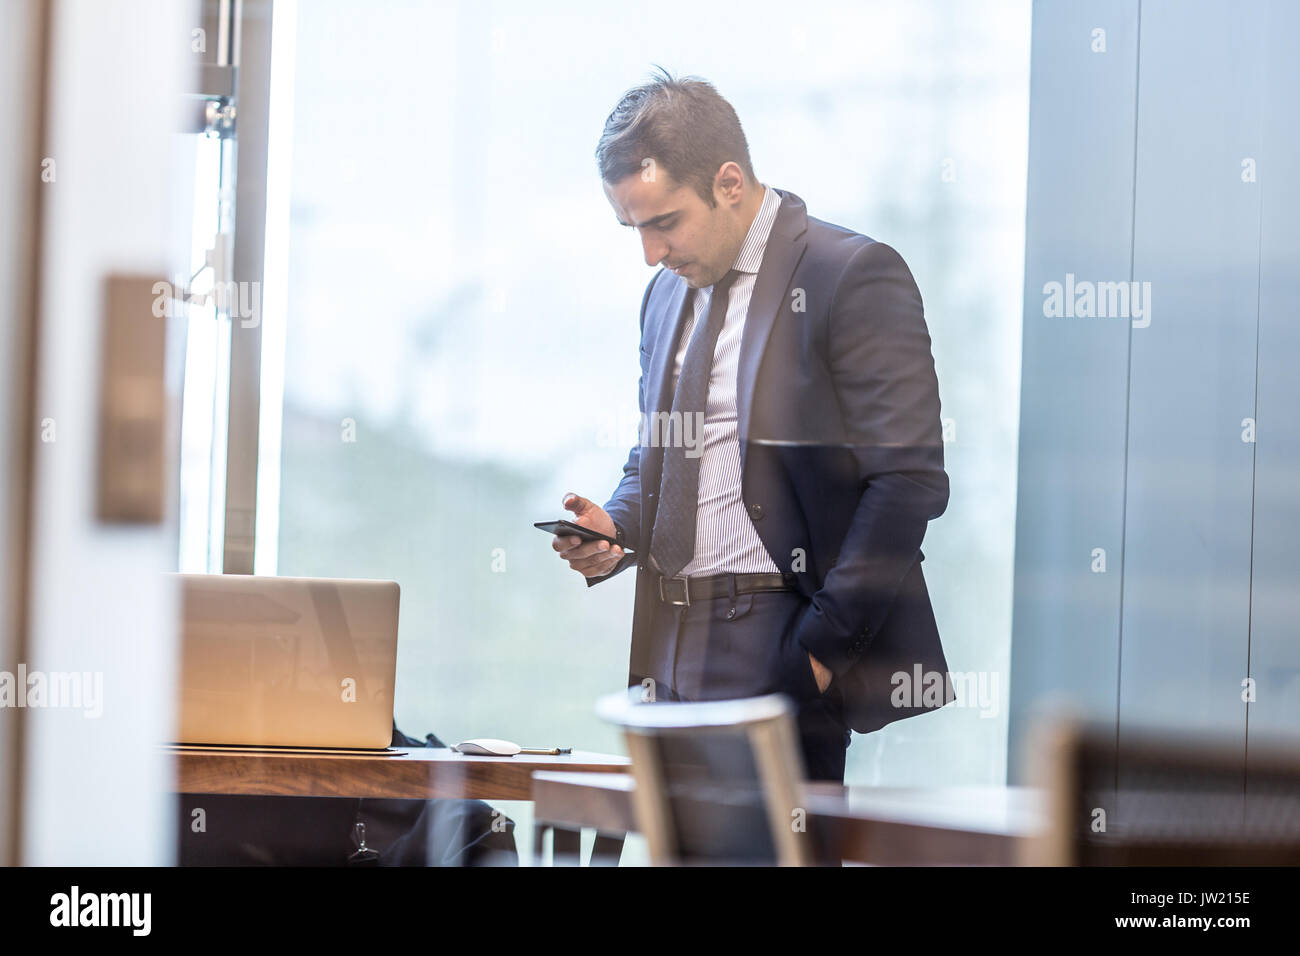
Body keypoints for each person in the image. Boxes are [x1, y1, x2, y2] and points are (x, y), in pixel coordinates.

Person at [552, 67, 955, 783]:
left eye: (664, 222)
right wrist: (615, 529)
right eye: (633, 229)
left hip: (779, 635)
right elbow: (668, 457)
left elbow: (908, 481)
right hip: (666, 643)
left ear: (729, 183)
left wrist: (819, 655)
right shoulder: (664, 295)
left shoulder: (851, 273)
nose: (651, 253)